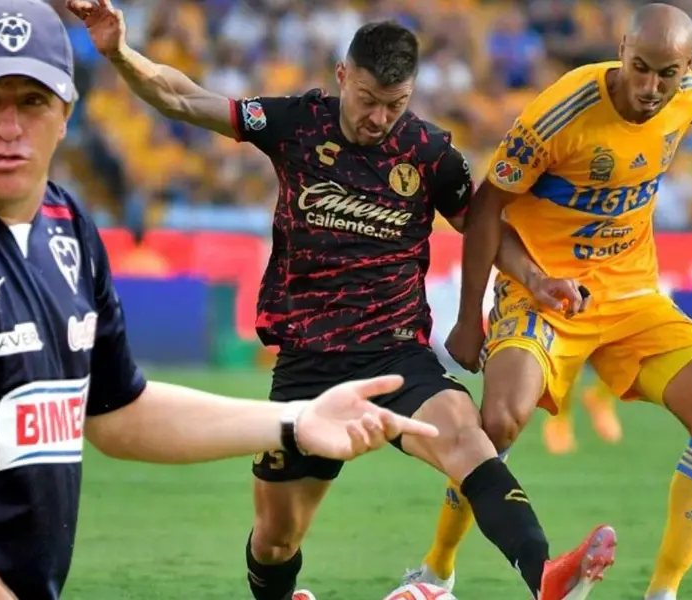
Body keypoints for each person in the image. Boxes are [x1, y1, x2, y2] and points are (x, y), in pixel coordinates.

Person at [0, 1, 442, 599]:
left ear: (66, 112)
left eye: (32, 99)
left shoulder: (64, 224)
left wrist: (294, 420)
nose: (9, 126)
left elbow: (118, 412)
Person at [69, 2, 615, 599]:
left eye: (395, 104)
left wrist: (536, 281)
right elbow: (183, 97)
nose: (380, 117)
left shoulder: (431, 156)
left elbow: (481, 228)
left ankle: (546, 576)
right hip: (307, 364)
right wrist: (121, 52)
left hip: (397, 354)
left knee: (468, 440)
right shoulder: (294, 124)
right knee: (277, 538)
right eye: (368, 99)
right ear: (341, 77)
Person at [406, 5, 692, 600]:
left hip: (632, 294)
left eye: (666, 74)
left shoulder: (684, 93)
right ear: (621, 49)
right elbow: (486, 207)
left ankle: (663, 593)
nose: (650, 88)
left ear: (686, 68)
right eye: (639, 68)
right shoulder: (561, 114)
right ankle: (436, 571)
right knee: (498, 420)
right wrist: (468, 319)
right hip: (542, 290)